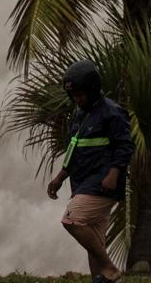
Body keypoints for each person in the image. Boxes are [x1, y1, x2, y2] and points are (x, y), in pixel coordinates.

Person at [46, 60, 135, 283]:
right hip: (82, 182)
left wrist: (113, 174)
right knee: (95, 241)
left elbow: (125, 146)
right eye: (74, 95)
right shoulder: (80, 115)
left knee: (72, 220)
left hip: (102, 182)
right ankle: (102, 278)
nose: (78, 99)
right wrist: (59, 177)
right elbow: (73, 148)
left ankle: (110, 268)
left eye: (81, 94)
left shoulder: (112, 113)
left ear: (92, 89)